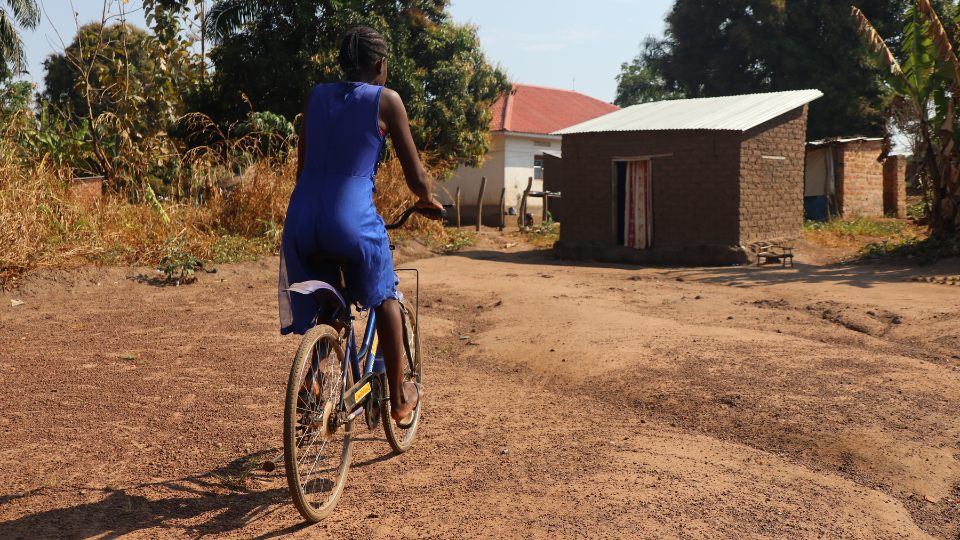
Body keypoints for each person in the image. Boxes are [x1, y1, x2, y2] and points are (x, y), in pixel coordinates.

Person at [278, 26, 439, 425]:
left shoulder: (315, 97)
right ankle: (401, 399)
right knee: (385, 296)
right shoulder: (387, 100)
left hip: (301, 218)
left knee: (332, 303)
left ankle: (312, 379)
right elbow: (417, 177)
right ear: (380, 64)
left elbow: (303, 168)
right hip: (349, 219)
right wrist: (426, 198)